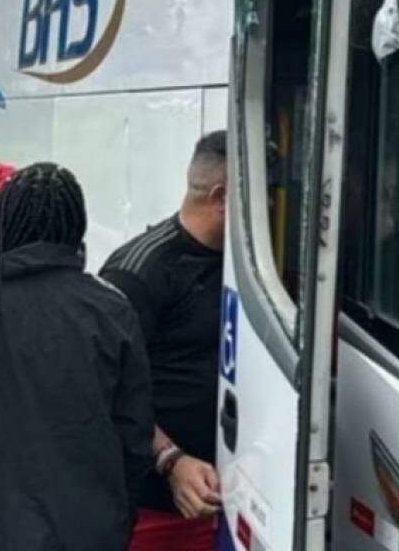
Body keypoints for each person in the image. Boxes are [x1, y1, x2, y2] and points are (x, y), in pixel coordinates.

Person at [0, 163, 154, 551]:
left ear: (4, 223)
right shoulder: (112, 311)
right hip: (87, 533)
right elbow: (134, 437)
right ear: (76, 227)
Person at [101, 131, 227, 551]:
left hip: (225, 500)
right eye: (264, 196)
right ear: (221, 195)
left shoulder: (245, 268)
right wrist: (170, 461)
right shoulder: (139, 271)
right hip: (154, 508)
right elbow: (104, 384)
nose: (271, 209)